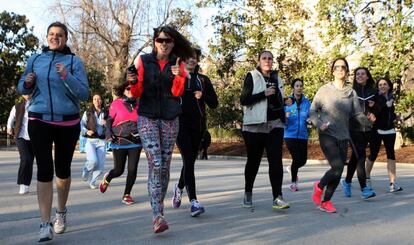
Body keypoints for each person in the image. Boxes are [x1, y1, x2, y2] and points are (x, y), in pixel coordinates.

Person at [17, 22, 89, 242]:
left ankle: (61, 211)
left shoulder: (74, 61)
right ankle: (44, 223)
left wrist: (67, 76)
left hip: (67, 122)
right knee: (44, 170)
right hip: (39, 119)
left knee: (62, 170)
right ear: (47, 37)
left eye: (59, 35)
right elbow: (22, 86)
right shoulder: (35, 59)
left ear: (66, 38)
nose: (54, 37)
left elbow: (84, 93)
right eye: (51, 34)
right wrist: (27, 83)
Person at [128, 25, 193, 233]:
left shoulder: (178, 63)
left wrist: (178, 76)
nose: (164, 44)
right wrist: (133, 81)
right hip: (147, 116)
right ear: (154, 41)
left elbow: (177, 92)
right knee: (155, 162)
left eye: (168, 41)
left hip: (170, 118)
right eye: (160, 40)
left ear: (173, 43)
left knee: (164, 165)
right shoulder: (143, 61)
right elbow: (136, 92)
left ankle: (160, 207)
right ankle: (157, 215)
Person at [310, 58, 373, 213]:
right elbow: (312, 111)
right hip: (327, 134)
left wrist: (369, 122)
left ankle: (326, 202)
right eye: (337, 67)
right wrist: (319, 124)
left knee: (338, 173)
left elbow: (357, 113)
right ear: (333, 70)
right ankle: (319, 187)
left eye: (343, 67)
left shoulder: (351, 92)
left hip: (343, 136)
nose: (340, 69)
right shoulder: (324, 90)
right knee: (337, 166)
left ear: (346, 71)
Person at [172, 48, 218, 217]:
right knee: (189, 161)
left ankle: (179, 187)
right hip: (180, 125)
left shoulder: (203, 80)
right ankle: (194, 202)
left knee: (189, 161)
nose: (192, 60)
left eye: (195, 58)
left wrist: (203, 95)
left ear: (198, 61)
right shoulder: (177, 78)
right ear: (183, 60)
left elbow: (214, 103)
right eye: (188, 57)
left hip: (198, 127)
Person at [240, 50, 289, 210]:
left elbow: (277, 99)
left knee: (276, 161)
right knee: (253, 161)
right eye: (264, 58)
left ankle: (278, 197)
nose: (267, 61)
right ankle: (248, 192)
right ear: (259, 61)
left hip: (275, 124)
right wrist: (263, 93)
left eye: (270, 58)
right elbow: (244, 100)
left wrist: (285, 101)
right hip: (255, 125)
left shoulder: (277, 78)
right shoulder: (252, 76)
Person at [99, 81, 142, 205]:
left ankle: (127, 194)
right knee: (119, 170)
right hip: (119, 140)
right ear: (123, 90)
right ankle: (108, 177)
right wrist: (108, 134)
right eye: (128, 88)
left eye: (133, 88)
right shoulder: (116, 103)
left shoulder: (140, 105)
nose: (130, 90)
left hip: (136, 141)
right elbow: (109, 121)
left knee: (132, 169)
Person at [340, 67, 377, 199]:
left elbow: (379, 106)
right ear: (355, 77)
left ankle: (347, 181)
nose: (360, 76)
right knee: (361, 156)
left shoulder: (373, 91)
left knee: (356, 157)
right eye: (358, 74)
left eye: (363, 74)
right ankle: (364, 189)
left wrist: (374, 111)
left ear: (367, 77)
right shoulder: (350, 91)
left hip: (368, 129)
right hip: (353, 129)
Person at [365, 77, 403, 193]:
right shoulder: (374, 98)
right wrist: (386, 105)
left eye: (384, 84)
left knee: (391, 155)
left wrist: (395, 116)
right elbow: (375, 112)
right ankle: (367, 180)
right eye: (380, 85)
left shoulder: (391, 98)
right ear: (378, 87)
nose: (382, 86)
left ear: (389, 86)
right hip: (377, 130)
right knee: (373, 154)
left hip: (390, 130)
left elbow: (389, 114)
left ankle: (392, 184)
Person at [284, 78, 311, 192]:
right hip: (289, 134)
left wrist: (310, 120)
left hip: (303, 135)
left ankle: (291, 168)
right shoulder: (287, 102)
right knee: (296, 158)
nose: (299, 88)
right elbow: (282, 117)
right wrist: (285, 116)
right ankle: (293, 183)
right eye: (297, 86)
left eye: (301, 86)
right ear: (293, 88)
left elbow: (310, 116)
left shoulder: (307, 103)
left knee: (303, 160)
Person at [7, 95, 34, 195]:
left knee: (30, 160)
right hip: (20, 136)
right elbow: (11, 117)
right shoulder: (17, 106)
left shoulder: (37, 105)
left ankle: (26, 184)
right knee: (25, 158)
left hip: (34, 137)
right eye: (25, 93)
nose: (28, 94)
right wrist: (9, 127)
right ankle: (22, 183)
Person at [80, 94, 108, 189]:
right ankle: (86, 170)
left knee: (100, 165)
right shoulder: (88, 112)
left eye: (99, 99)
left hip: (102, 141)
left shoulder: (106, 112)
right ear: (93, 101)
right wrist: (87, 131)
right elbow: (82, 124)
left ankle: (92, 182)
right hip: (91, 141)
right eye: (95, 99)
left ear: (101, 101)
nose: (97, 101)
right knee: (93, 160)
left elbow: (112, 123)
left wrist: (107, 123)